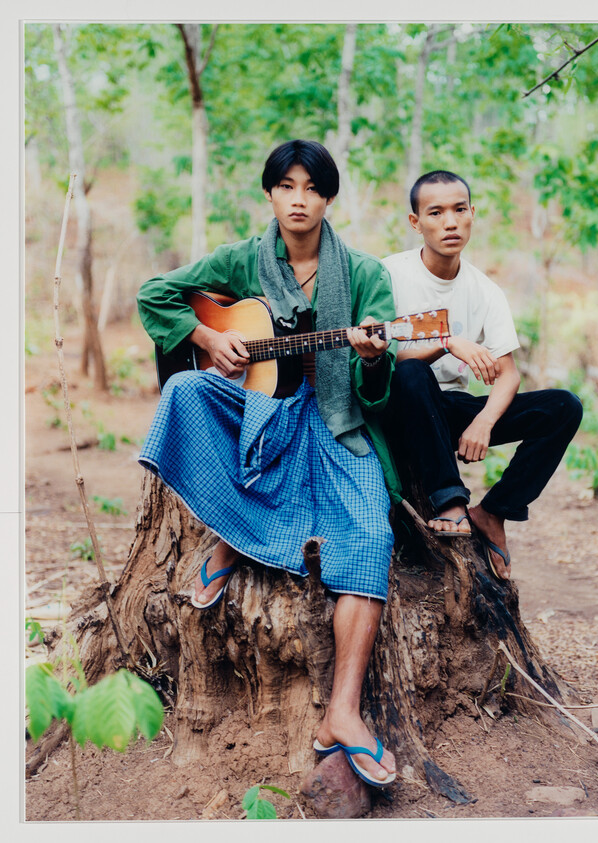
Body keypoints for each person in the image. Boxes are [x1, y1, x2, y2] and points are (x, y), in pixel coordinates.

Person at [136, 139, 398, 787]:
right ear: (270, 194)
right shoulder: (243, 259)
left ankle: (342, 709)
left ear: (328, 197)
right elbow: (155, 296)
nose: (299, 199)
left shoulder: (364, 274)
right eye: (287, 185)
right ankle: (228, 534)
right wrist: (207, 336)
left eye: (312, 188)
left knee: (371, 535)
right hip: (263, 405)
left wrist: (370, 356)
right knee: (186, 389)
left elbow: (381, 379)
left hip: (336, 416)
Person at [383, 170, 583, 580]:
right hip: (397, 403)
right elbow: (381, 355)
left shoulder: (485, 290)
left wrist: (484, 422)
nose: (450, 222)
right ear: (415, 222)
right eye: (435, 213)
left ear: (473, 213)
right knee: (414, 374)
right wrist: (447, 341)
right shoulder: (389, 274)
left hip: (450, 408)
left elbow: (507, 375)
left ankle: (493, 511)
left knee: (564, 406)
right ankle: (451, 503)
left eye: (459, 210)